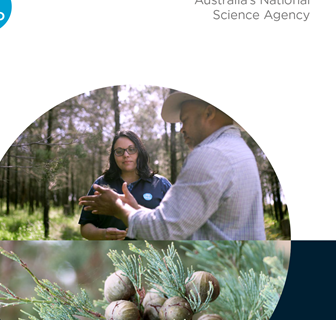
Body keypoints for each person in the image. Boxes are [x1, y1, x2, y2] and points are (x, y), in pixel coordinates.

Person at [79, 92, 266, 241]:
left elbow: (164, 229)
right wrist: (135, 208)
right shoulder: (238, 148)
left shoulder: (211, 155)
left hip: (220, 272)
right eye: (119, 151)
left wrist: (119, 208)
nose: (182, 128)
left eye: (184, 119)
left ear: (209, 113)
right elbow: (179, 222)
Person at [79, 130, 171, 240]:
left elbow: (176, 224)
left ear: (139, 152)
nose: (126, 155)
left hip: (152, 254)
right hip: (110, 254)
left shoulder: (161, 184)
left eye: (131, 149)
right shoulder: (101, 184)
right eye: (119, 151)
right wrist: (102, 234)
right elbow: (85, 226)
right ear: (113, 156)